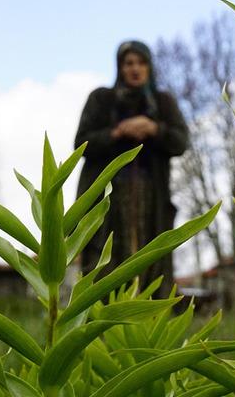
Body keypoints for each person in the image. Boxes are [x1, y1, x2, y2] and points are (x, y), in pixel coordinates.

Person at [75, 40, 188, 297]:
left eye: (141, 63)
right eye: (129, 63)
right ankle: (102, 325)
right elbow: (81, 143)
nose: (135, 69)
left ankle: (149, 325)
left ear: (149, 67)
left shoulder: (162, 102)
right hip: (109, 197)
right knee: (106, 259)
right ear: (120, 68)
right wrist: (117, 132)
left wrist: (154, 129)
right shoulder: (101, 99)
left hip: (152, 198)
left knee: (152, 260)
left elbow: (181, 141)